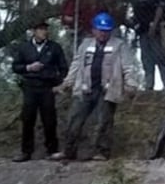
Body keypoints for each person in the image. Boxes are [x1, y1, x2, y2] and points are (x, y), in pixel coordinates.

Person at [58, 12, 140, 160]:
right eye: (100, 30)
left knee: (104, 121)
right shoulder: (85, 45)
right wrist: (67, 82)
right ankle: (68, 151)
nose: (103, 33)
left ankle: (102, 152)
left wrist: (131, 84)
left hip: (107, 90)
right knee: (74, 119)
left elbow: (128, 67)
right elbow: (76, 65)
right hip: (85, 88)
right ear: (94, 30)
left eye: (106, 30)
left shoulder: (119, 45)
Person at [12, 20, 69, 162]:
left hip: (47, 87)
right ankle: (26, 151)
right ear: (34, 31)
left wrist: (59, 83)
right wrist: (29, 68)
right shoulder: (24, 47)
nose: (44, 32)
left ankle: (52, 150)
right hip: (30, 86)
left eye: (45, 29)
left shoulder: (54, 47)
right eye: (41, 29)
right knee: (28, 119)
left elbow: (63, 68)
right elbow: (15, 66)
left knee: (49, 119)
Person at [132, 0, 165, 90]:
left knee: (160, 57)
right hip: (143, 32)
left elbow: (162, 13)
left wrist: (154, 25)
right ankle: (149, 83)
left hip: (156, 32)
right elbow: (135, 16)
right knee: (146, 59)